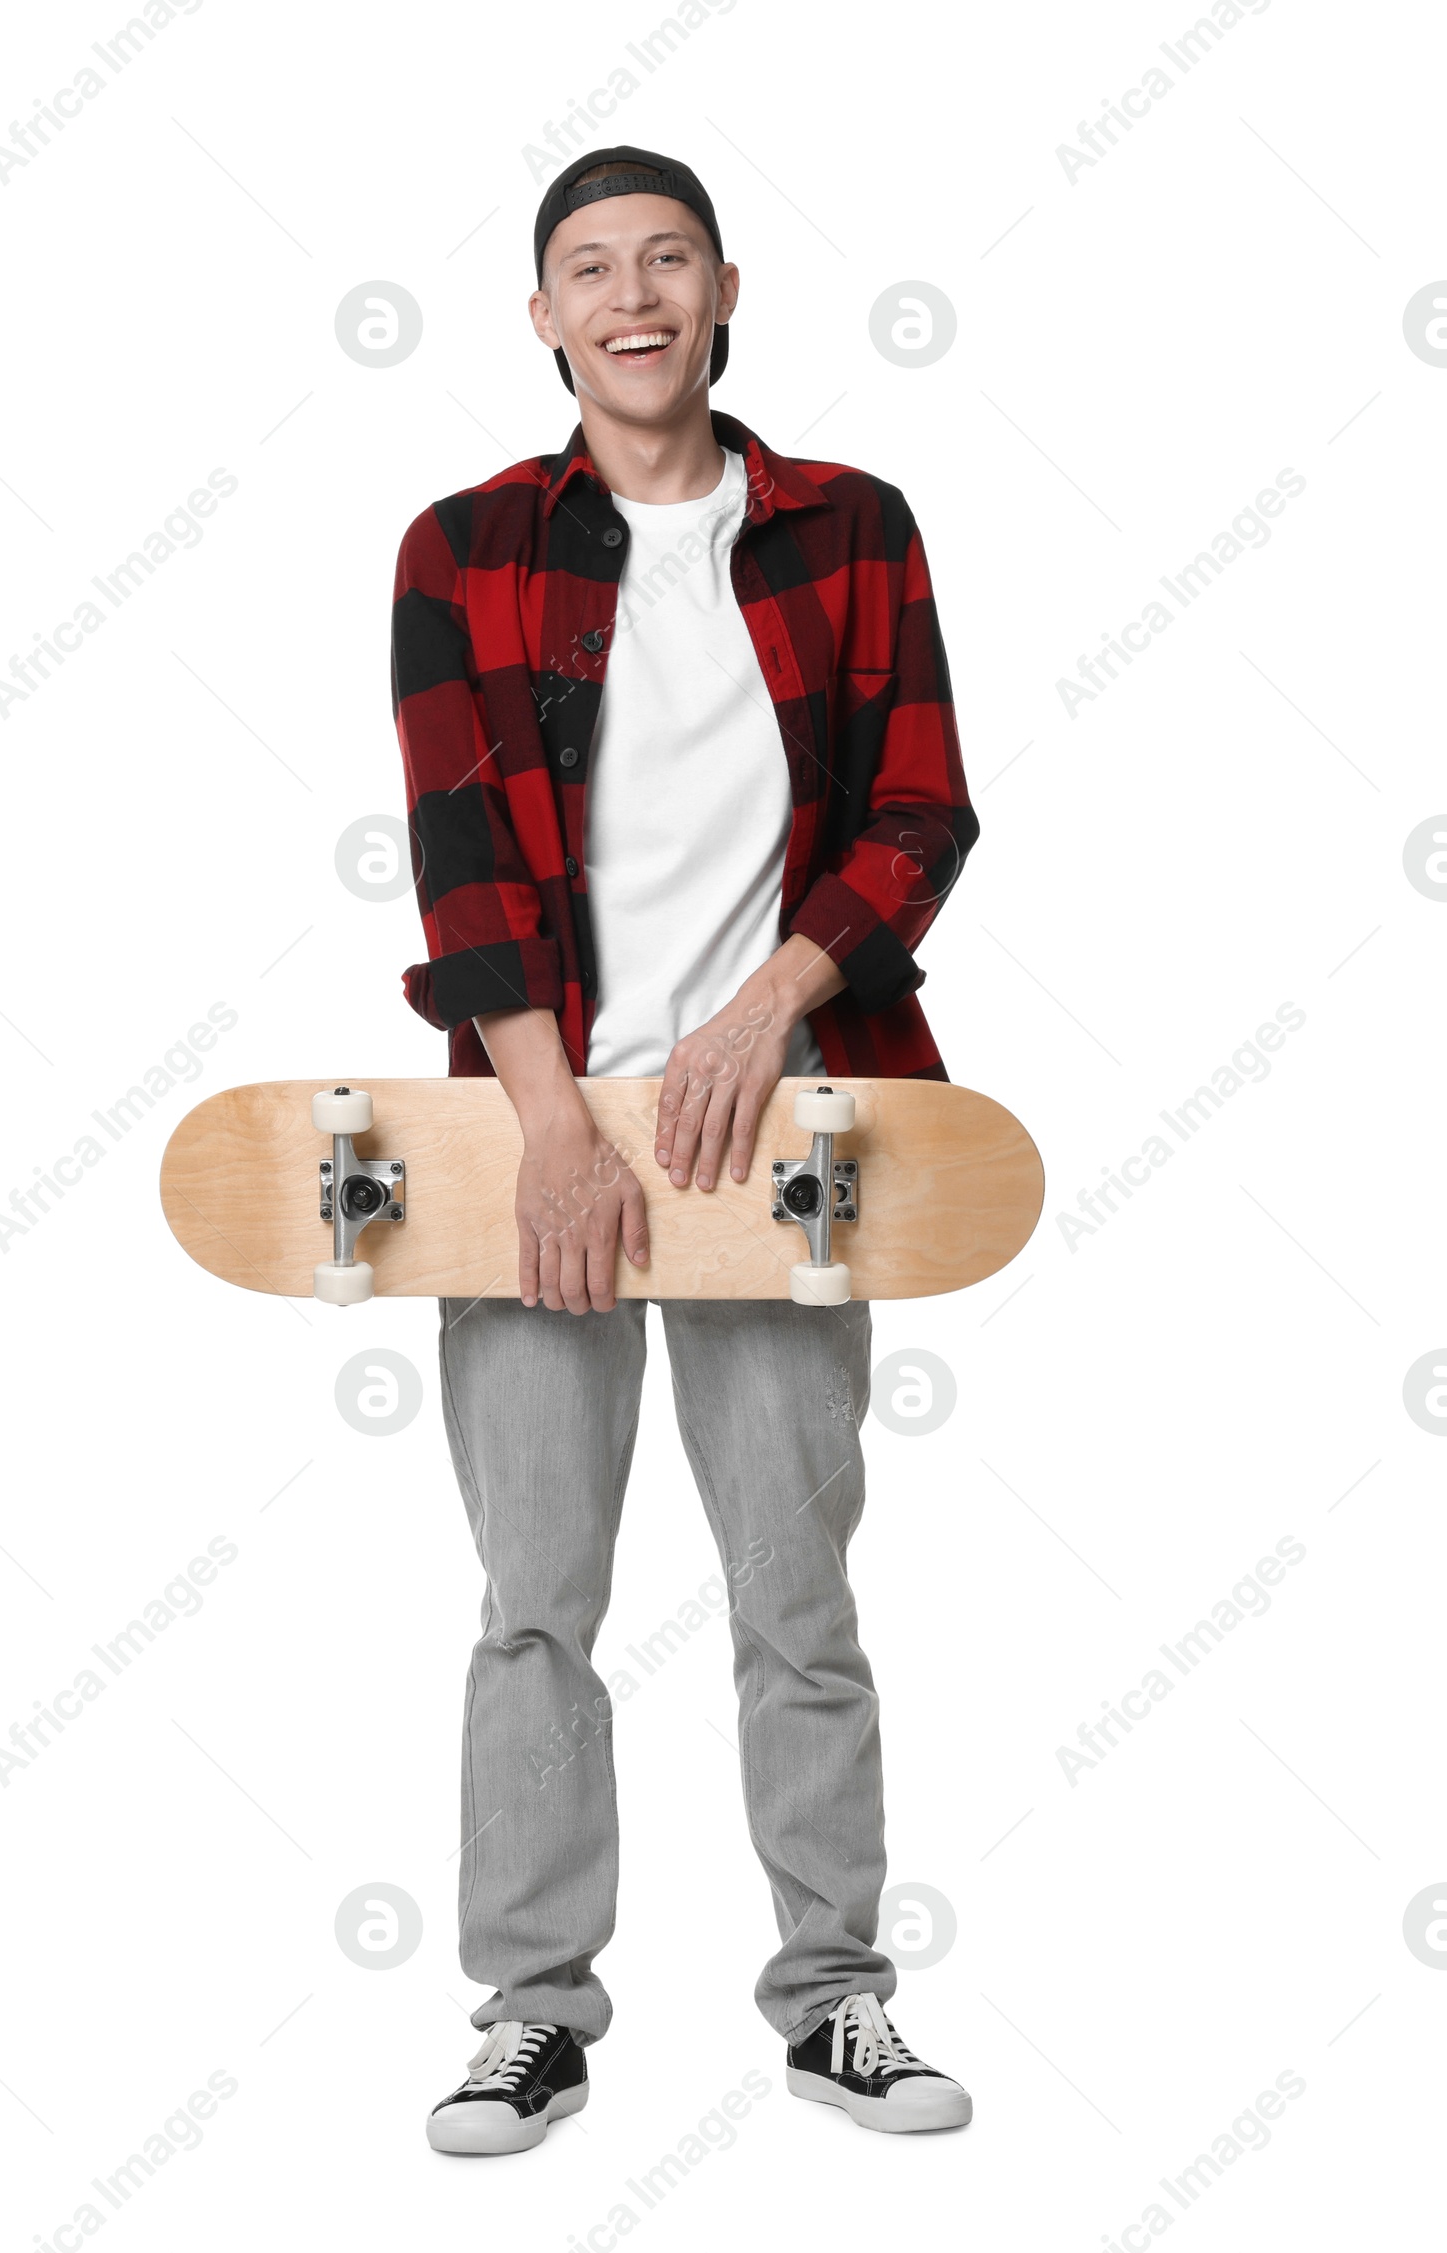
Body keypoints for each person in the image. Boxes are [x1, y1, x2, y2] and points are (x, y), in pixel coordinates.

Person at [390, 144, 978, 2153]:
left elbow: (920, 812)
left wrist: (765, 1007)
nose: (629, 297)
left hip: (783, 1124)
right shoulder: (462, 546)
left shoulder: (849, 527)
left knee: (789, 1584)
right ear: (540, 316)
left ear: (720, 287)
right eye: (586, 269)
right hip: (536, 1133)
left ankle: (833, 1997)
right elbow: (464, 860)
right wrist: (549, 1125)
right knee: (534, 1593)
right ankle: (528, 2008)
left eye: (661, 262)